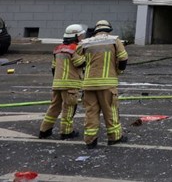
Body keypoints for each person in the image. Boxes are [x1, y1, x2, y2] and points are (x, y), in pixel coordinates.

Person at [72, 19, 128, 148]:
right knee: (110, 111)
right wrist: (119, 70)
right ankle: (114, 138)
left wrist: (86, 63)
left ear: (96, 30)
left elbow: (75, 59)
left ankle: (90, 140)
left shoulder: (86, 42)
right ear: (108, 30)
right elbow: (123, 57)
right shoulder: (114, 40)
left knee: (91, 112)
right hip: (107, 84)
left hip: (89, 84)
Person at [39, 24, 86, 140]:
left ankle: (44, 130)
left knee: (54, 108)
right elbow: (79, 63)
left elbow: (53, 68)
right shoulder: (75, 49)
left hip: (57, 83)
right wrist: (89, 57)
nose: (82, 38)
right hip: (70, 85)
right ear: (76, 36)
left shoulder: (58, 49)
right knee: (69, 108)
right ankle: (66, 132)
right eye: (81, 35)